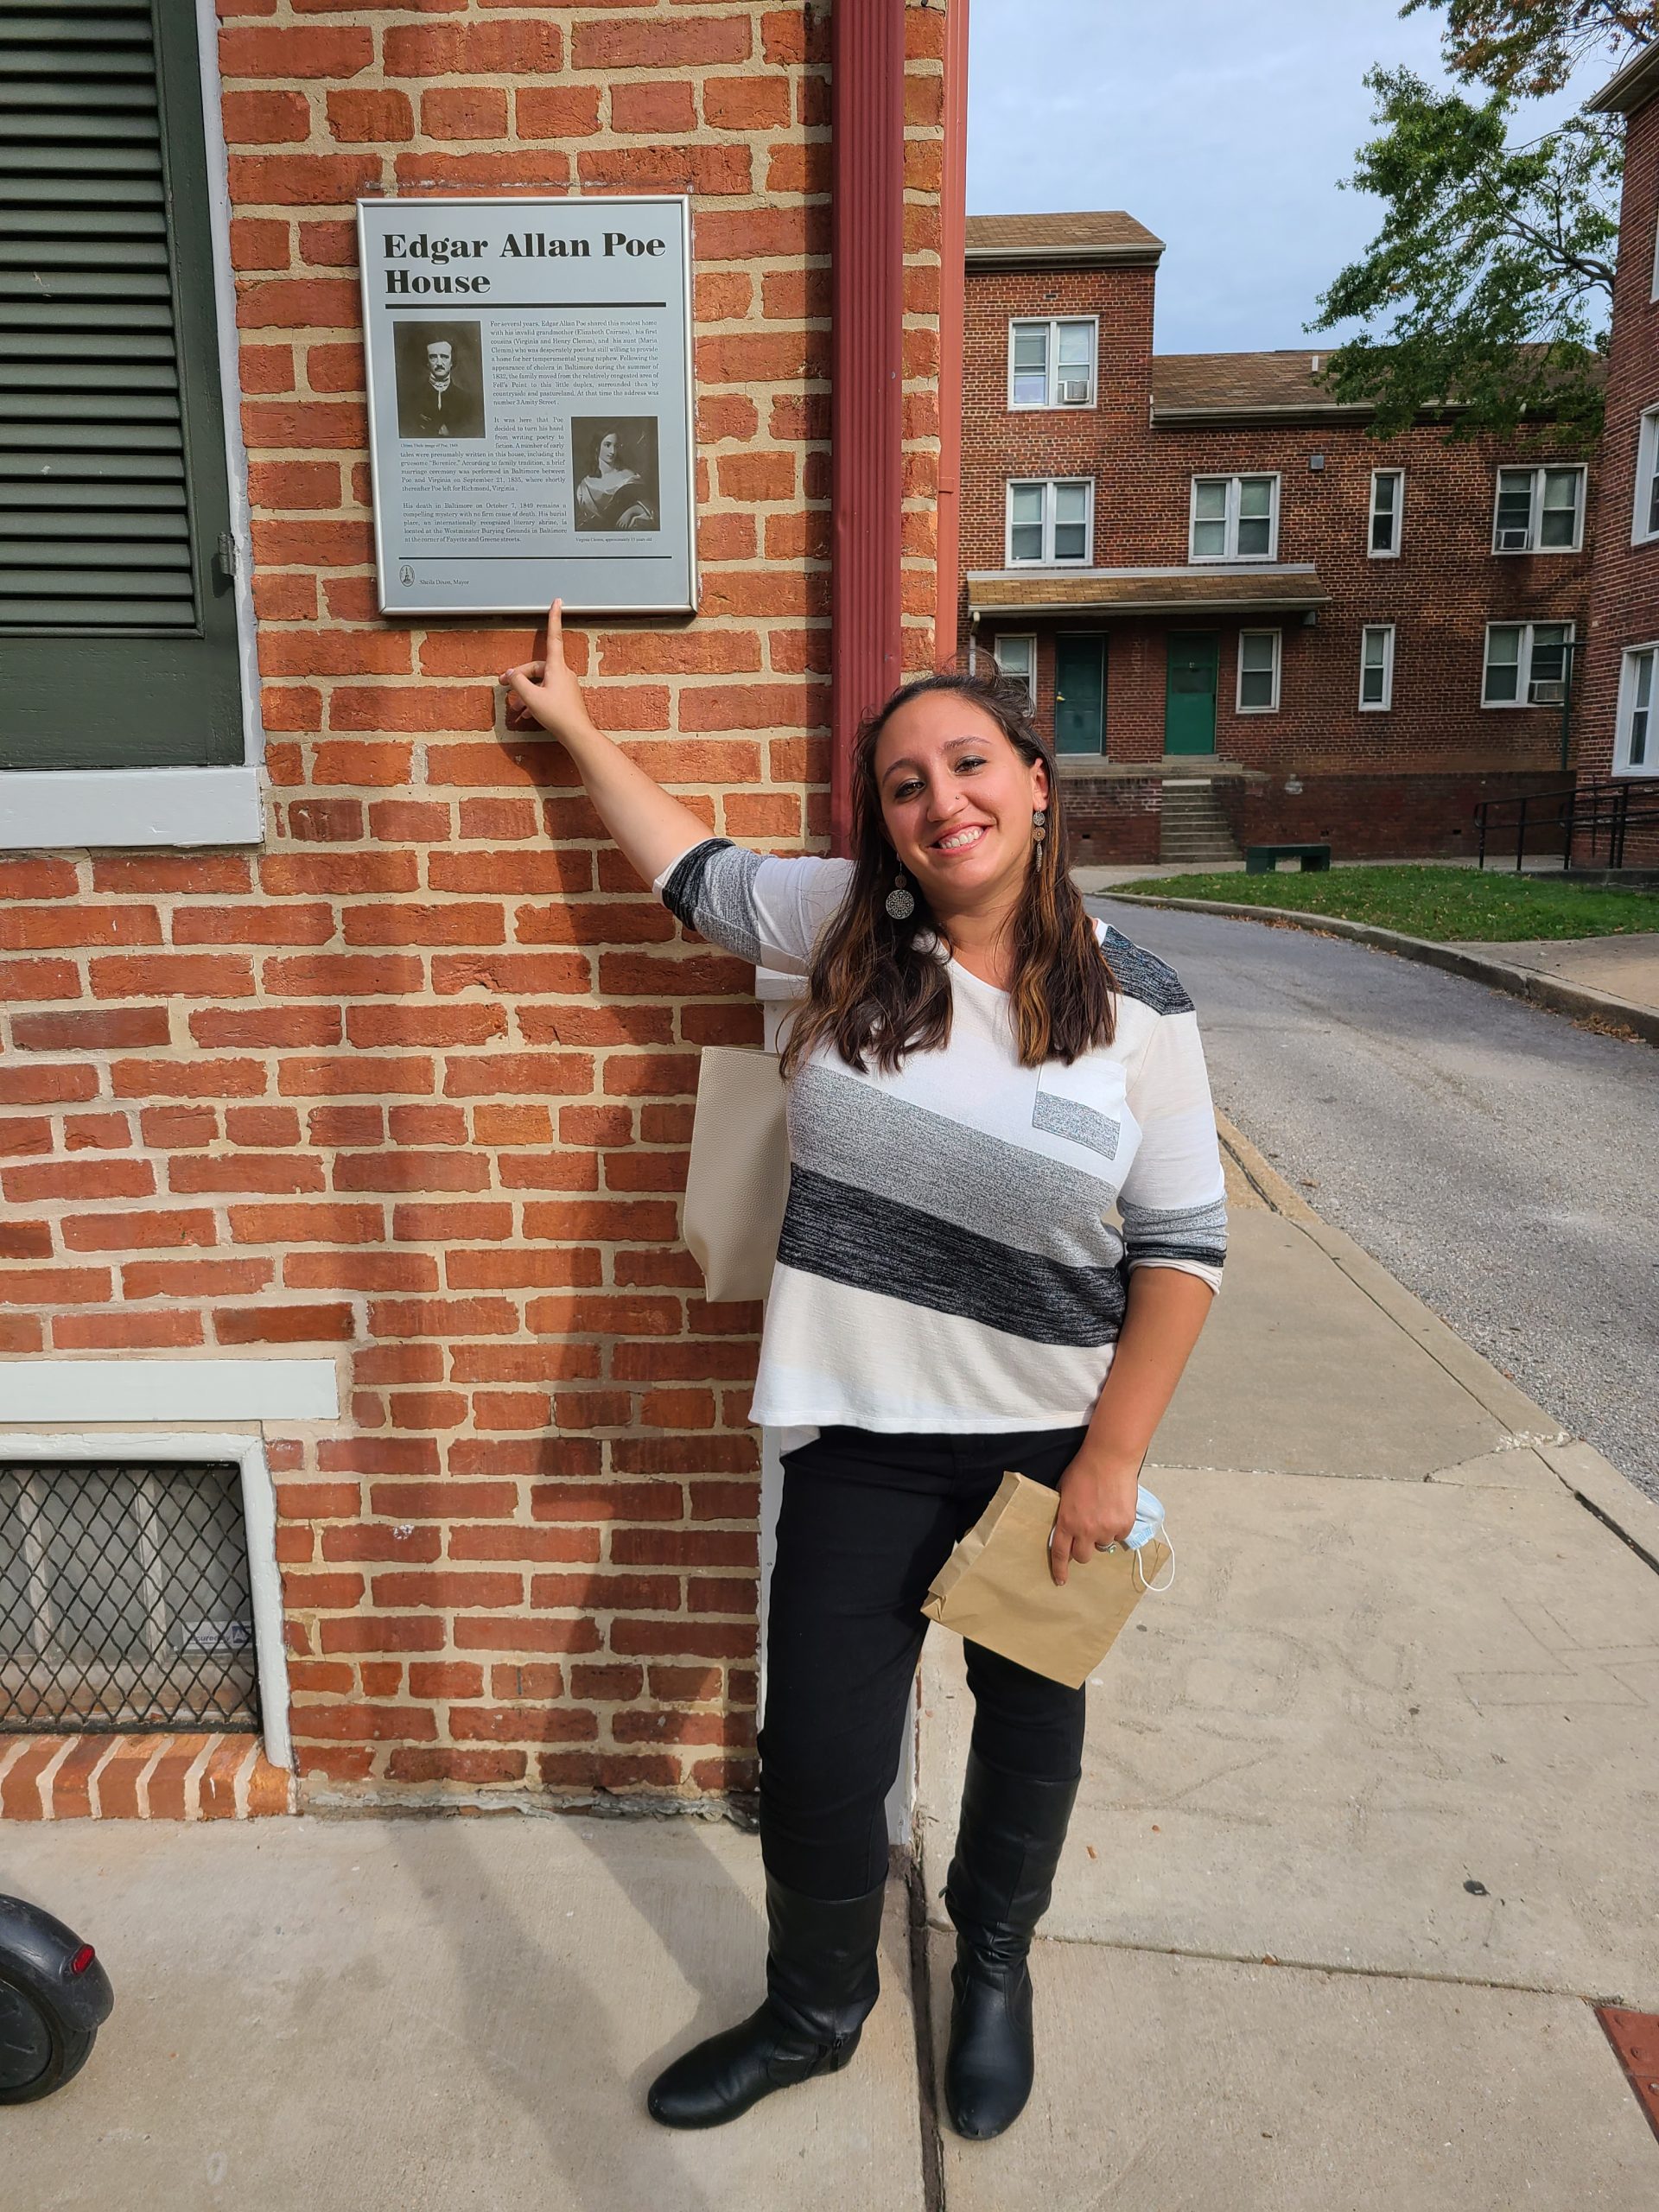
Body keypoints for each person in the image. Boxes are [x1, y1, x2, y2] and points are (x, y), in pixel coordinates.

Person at [502, 605, 1226, 2141]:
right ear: (881, 822)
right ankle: (818, 2008)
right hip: (859, 1438)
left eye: (969, 763)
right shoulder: (844, 925)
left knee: (1030, 1725)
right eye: (903, 783)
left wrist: (1111, 1460)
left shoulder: (1144, 1001)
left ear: (1036, 781)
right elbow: (691, 873)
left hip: (1049, 1442)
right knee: (819, 1750)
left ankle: (998, 1971)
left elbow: (1181, 1253)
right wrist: (573, 730)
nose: (939, 801)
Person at [400, 336, 483, 440]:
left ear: (452, 362)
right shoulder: (411, 400)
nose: (439, 363)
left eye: (444, 357)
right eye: (433, 357)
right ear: (427, 362)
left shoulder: (468, 401)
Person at [574, 428, 657, 530]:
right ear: (597, 447)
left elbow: (653, 511)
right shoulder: (584, 487)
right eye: (607, 445)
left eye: (616, 446)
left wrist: (631, 511)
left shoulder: (630, 477)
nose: (613, 451)